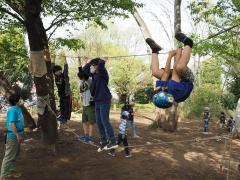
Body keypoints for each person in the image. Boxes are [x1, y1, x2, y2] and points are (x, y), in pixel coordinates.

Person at [146, 33, 195, 108]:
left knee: (155, 72)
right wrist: (178, 53)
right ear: (164, 91)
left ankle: (155, 50)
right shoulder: (173, 89)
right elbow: (175, 71)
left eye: (157, 89)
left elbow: (166, 73)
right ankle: (188, 43)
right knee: (179, 67)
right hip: (186, 80)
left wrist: (170, 56)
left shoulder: (160, 90)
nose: (158, 87)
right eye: (159, 89)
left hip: (175, 81)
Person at [83, 58, 117, 152]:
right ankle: (104, 141)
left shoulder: (103, 73)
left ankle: (113, 141)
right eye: (93, 66)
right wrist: (89, 63)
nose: (93, 67)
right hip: (97, 101)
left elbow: (101, 64)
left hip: (105, 100)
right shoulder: (94, 74)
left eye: (94, 65)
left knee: (105, 121)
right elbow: (84, 72)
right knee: (98, 122)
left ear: (98, 66)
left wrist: (100, 59)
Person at [1, 94, 24, 180]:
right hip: (12, 136)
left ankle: (11, 171)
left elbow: (18, 122)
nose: (21, 100)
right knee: (9, 155)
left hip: (17, 135)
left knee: (15, 154)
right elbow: (11, 123)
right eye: (20, 98)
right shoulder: (12, 110)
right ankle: (3, 176)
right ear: (16, 101)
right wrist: (17, 134)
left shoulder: (18, 109)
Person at [77, 59, 95, 144]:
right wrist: (79, 60)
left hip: (90, 104)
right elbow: (80, 70)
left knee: (91, 122)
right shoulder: (81, 80)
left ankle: (90, 138)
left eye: (82, 77)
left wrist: (89, 63)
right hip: (84, 105)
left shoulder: (90, 80)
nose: (81, 79)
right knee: (84, 121)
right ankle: (86, 136)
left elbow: (85, 71)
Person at [52, 57, 72, 125]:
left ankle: (66, 118)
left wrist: (65, 59)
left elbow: (66, 68)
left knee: (67, 107)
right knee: (62, 106)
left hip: (67, 94)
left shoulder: (64, 76)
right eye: (57, 71)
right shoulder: (56, 77)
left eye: (60, 70)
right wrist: (53, 58)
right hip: (61, 95)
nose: (59, 71)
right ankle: (62, 117)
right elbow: (52, 67)